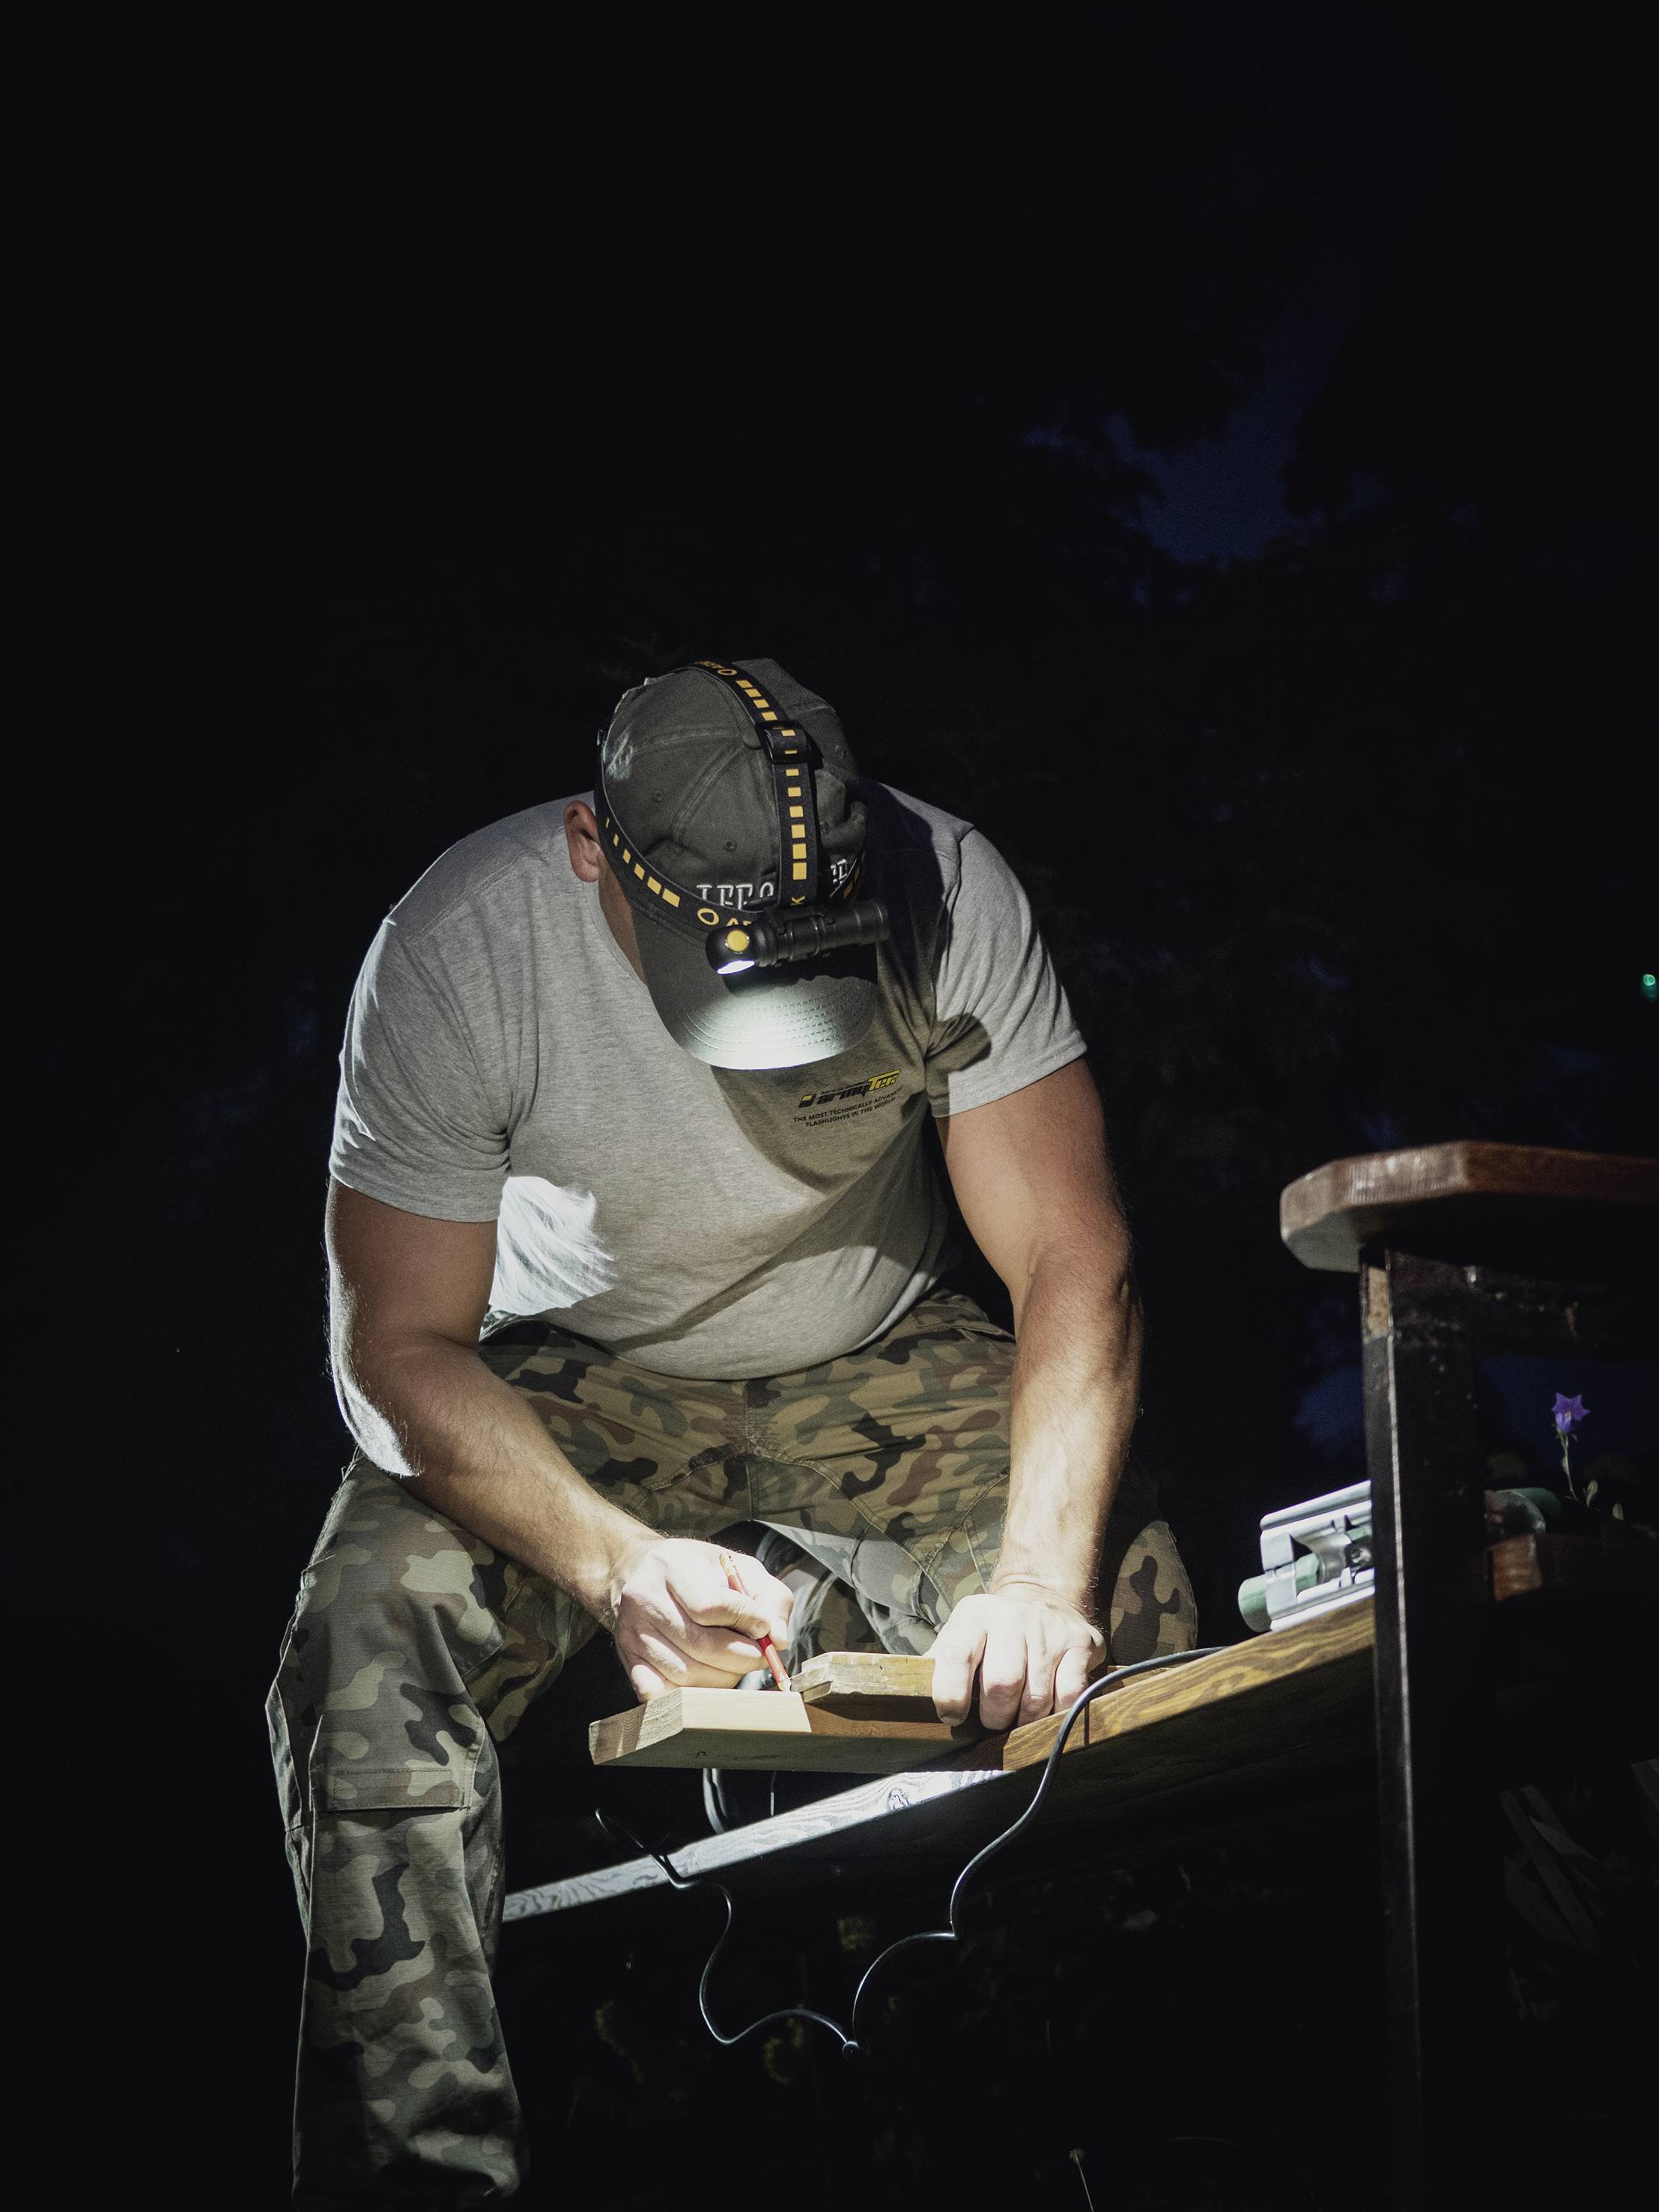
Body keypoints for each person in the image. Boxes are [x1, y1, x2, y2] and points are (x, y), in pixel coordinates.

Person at [267, 655, 1196, 2203]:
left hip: (874, 1340)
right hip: (569, 1375)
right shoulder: (462, 944)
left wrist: (1038, 1581)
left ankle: (1150, 2120)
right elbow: (394, 1349)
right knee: (361, 1642)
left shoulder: (949, 885)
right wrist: (616, 1564)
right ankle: (415, 2177)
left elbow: (1070, 1251)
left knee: (1132, 1605)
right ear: (595, 851)